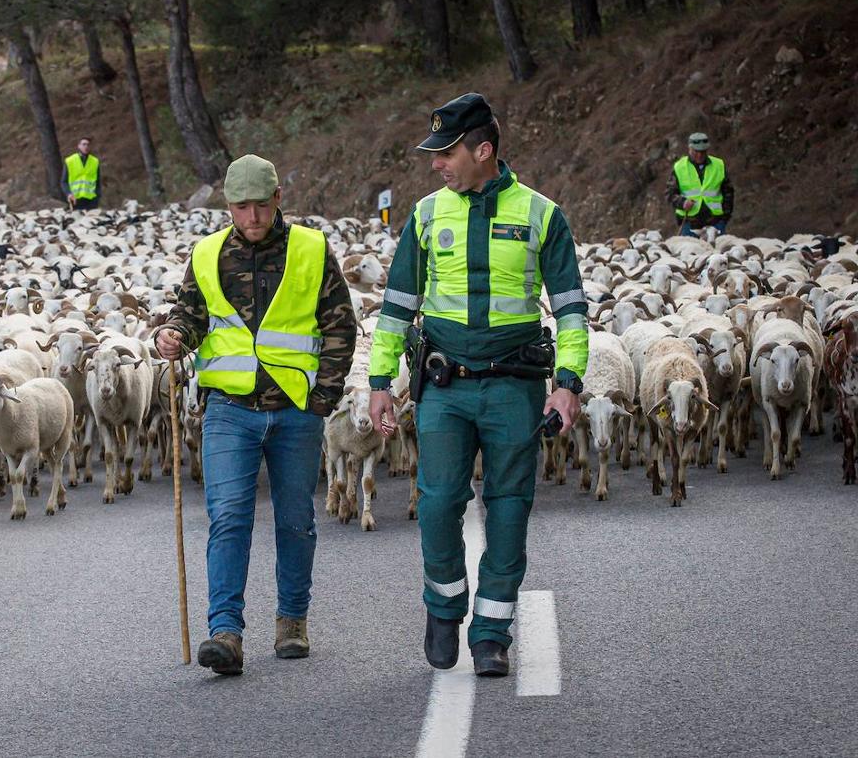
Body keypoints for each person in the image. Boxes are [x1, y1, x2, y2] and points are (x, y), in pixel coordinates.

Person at [367, 93, 589, 677]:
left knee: (509, 508)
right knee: (438, 503)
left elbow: (569, 310)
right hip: (444, 385)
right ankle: (443, 608)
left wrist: (567, 383)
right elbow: (395, 306)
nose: (436, 164)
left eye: (446, 153)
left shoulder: (543, 214)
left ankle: (492, 632)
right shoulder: (424, 214)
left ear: (482, 150)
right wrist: (379, 379)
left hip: (515, 387)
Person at [155, 154, 357, 676]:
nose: (251, 217)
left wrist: (323, 398)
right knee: (228, 518)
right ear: (227, 206)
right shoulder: (206, 255)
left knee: (295, 521)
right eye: (240, 208)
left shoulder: (311, 250)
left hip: (295, 409)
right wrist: (174, 334)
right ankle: (225, 631)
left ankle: (292, 620)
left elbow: (340, 324)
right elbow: (191, 313)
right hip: (229, 409)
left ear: (277, 200)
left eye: (260, 206)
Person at [666, 132, 733, 237]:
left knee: (718, 253)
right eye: (696, 151)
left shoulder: (718, 165)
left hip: (715, 222)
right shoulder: (679, 167)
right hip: (690, 223)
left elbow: (728, 192)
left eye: (703, 151)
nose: (700, 155)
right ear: (690, 149)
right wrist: (682, 202)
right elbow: (670, 193)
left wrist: (725, 217)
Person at [63, 137, 100, 210]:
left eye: (88, 145)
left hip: (91, 200)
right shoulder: (70, 161)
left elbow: (98, 181)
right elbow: (64, 181)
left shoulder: (95, 161)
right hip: (75, 199)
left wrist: (98, 196)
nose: (86, 147)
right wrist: (69, 194)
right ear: (79, 146)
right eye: (84, 144)